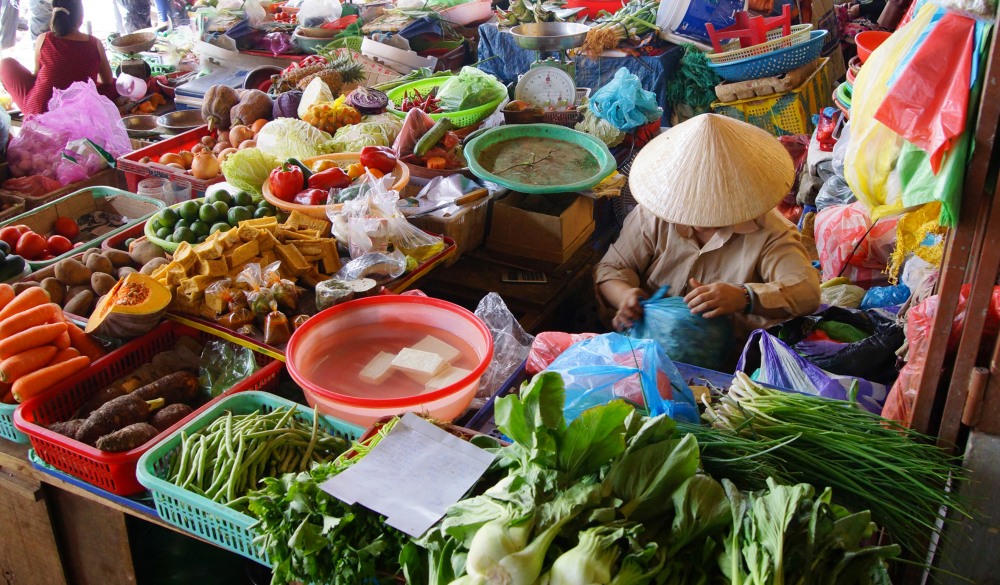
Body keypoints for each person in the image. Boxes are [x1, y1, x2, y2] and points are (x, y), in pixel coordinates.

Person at [594, 114, 821, 339]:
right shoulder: (653, 215)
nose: (699, 218)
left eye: (711, 207)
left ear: (739, 194)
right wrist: (625, 297)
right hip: (646, 344)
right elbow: (612, 268)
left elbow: (806, 291)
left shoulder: (772, 232)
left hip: (728, 360)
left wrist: (745, 296)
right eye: (690, 204)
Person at [0, 0, 116, 115]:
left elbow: (36, 77)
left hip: (37, 112)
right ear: (80, 18)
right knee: (116, 85)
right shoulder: (94, 43)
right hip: (77, 112)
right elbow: (108, 80)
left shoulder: (43, 38)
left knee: (5, 64)